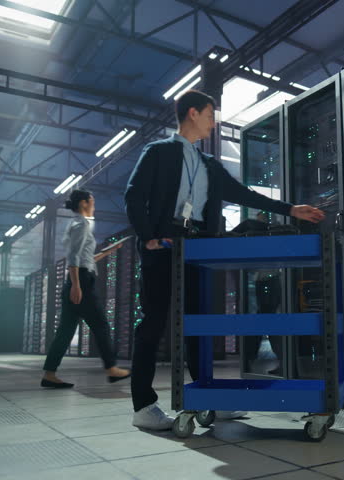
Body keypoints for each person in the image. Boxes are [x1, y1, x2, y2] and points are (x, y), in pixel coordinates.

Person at [124, 90, 326, 430]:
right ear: (192, 113)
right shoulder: (159, 152)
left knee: (200, 326)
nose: (213, 123)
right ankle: (143, 406)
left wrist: (289, 209)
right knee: (154, 322)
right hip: (164, 245)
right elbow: (134, 194)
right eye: (209, 115)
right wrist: (149, 238)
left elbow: (244, 194)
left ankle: (209, 397)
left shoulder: (209, 165)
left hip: (199, 248)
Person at [41, 189, 132, 388]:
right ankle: (111, 369)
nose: (94, 205)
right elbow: (73, 257)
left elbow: (85, 259)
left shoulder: (76, 224)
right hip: (81, 281)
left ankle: (49, 374)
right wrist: (77, 285)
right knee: (101, 326)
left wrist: (108, 252)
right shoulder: (81, 224)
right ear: (83, 203)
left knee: (65, 331)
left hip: (77, 278)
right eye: (92, 201)